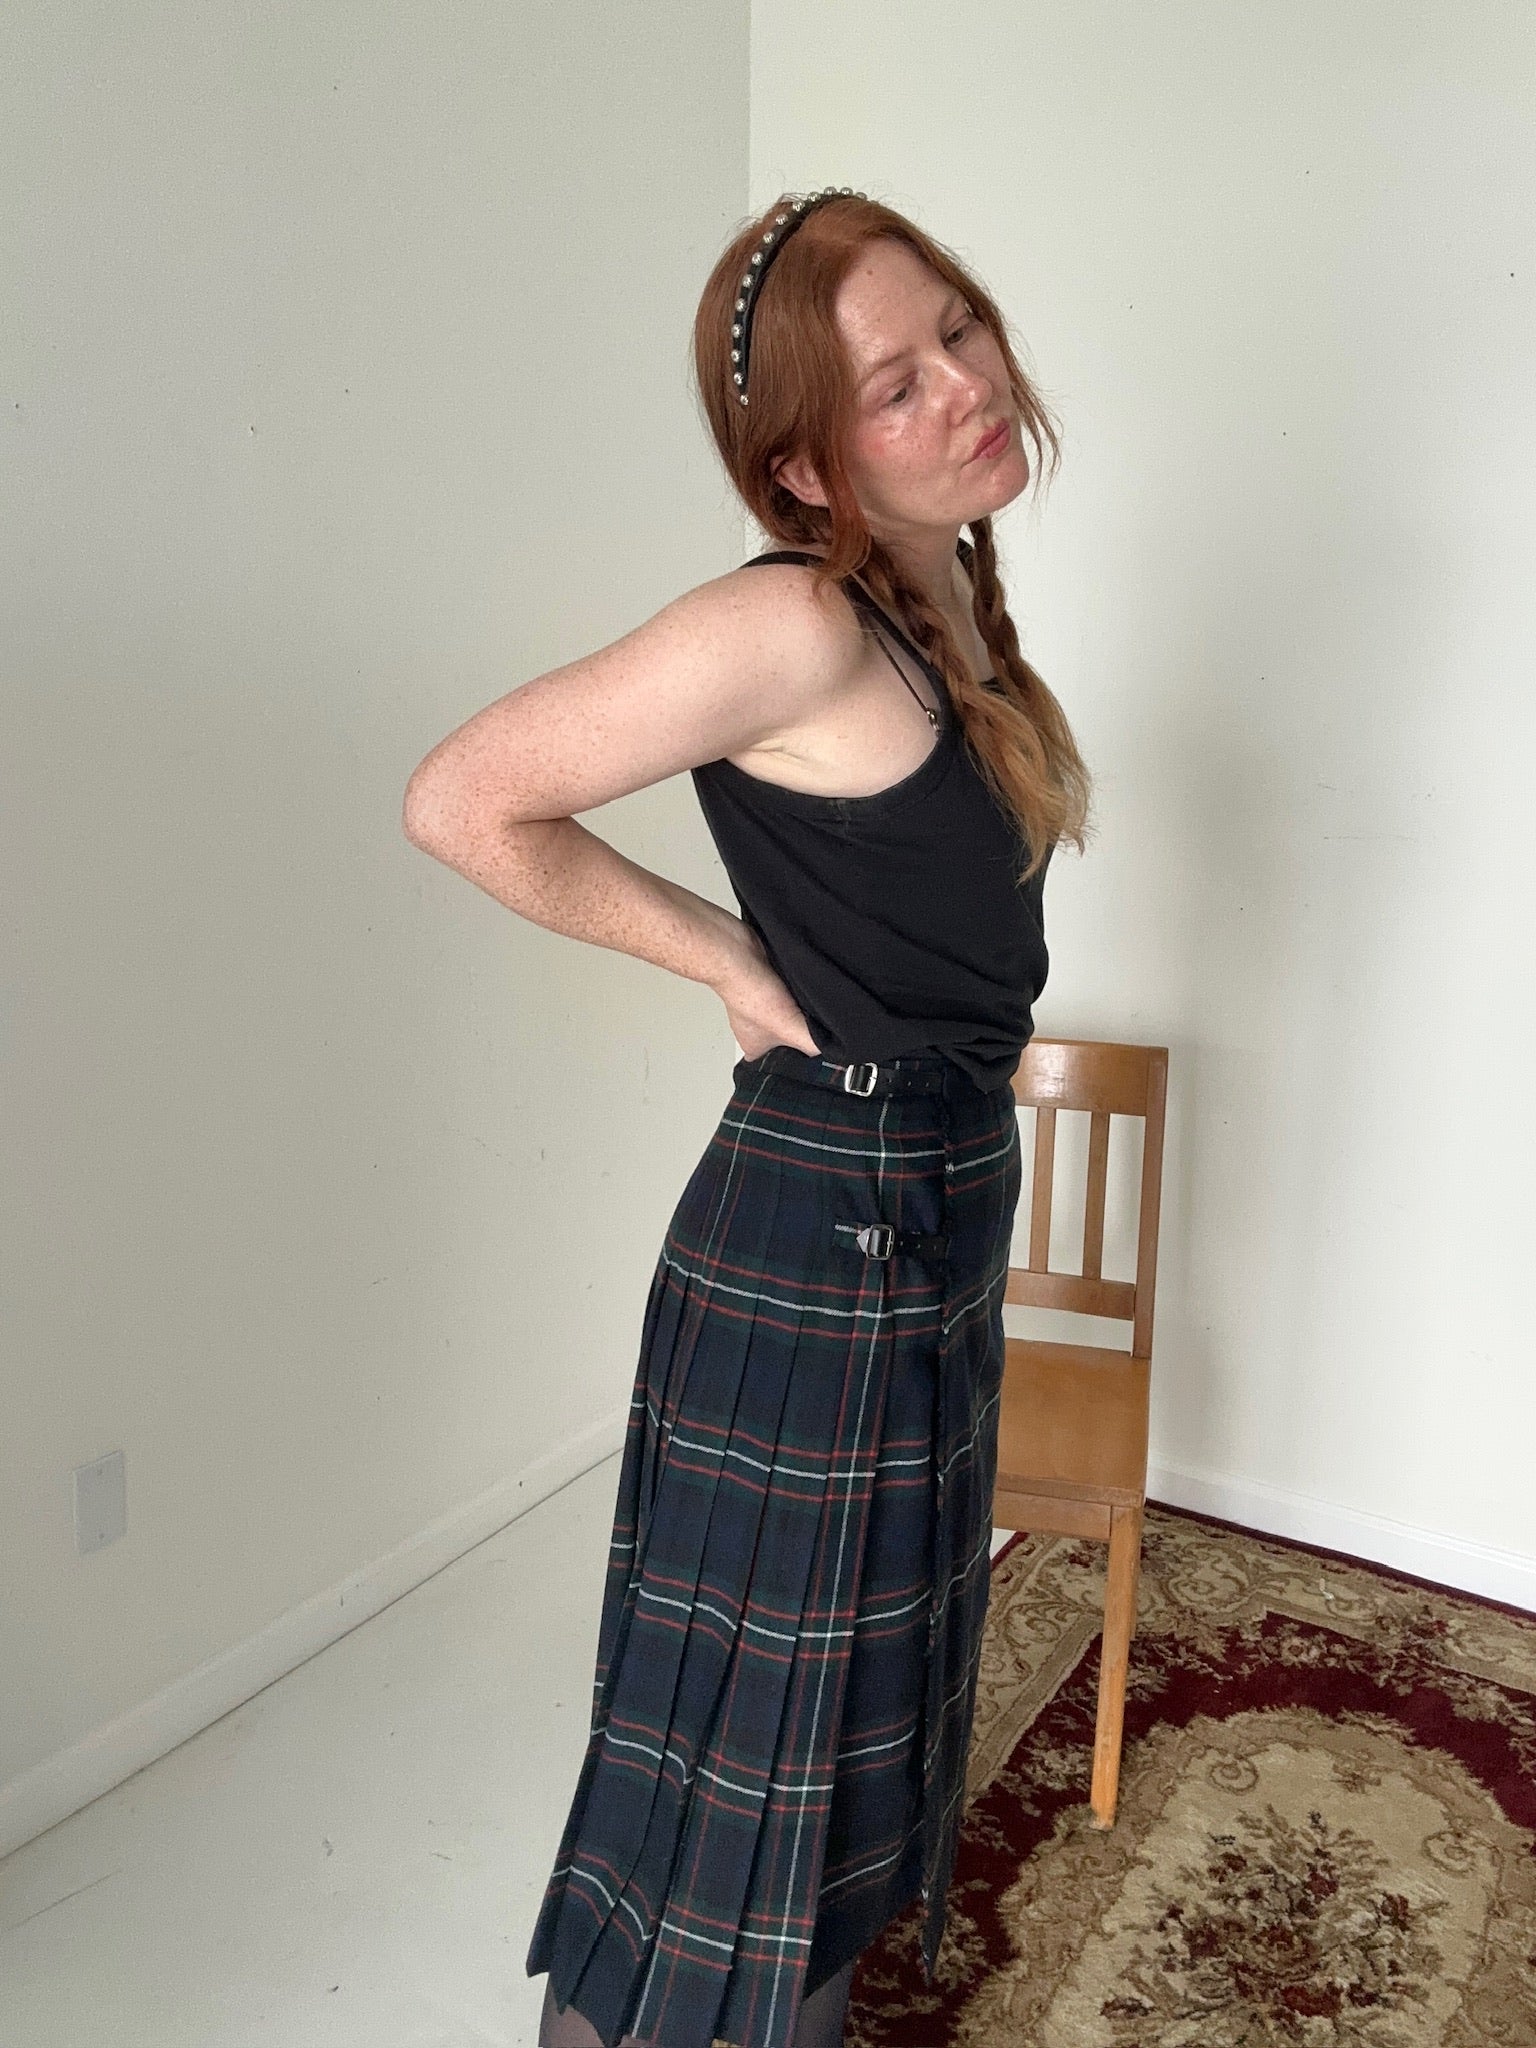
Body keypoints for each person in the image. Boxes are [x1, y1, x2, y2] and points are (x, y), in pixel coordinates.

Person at [401, 188, 1091, 2048]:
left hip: (912, 1217)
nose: (963, 384)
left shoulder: (940, 598)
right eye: (894, 379)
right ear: (801, 469)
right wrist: (716, 949)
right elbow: (466, 800)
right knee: (742, 1778)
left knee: (846, 1740)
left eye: (959, 327)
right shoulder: (788, 625)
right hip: (822, 1239)